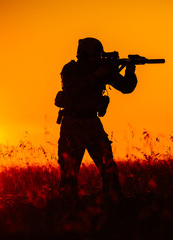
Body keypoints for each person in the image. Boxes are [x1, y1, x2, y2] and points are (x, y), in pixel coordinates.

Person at [55, 37, 137, 200]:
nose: (98, 59)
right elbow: (73, 89)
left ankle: (112, 200)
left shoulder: (102, 70)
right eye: (94, 56)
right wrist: (97, 74)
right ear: (84, 56)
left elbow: (126, 87)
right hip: (72, 124)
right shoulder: (71, 69)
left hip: (92, 123)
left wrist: (129, 71)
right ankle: (67, 206)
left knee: (108, 166)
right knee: (69, 171)